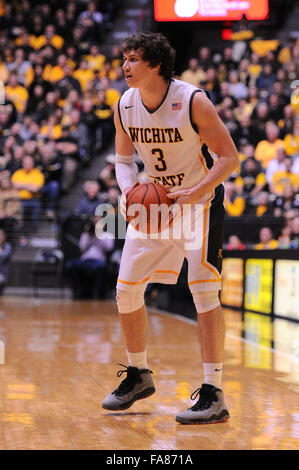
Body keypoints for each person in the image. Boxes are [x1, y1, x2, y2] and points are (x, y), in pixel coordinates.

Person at [101, 32, 239, 425]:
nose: (125, 66)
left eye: (133, 59)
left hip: (199, 205)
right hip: (156, 205)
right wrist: (129, 193)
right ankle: (139, 374)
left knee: (204, 291)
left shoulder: (193, 100)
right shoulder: (125, 105)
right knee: (126, 290)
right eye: (124, 59)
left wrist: (195, 192)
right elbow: (124, 160)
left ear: (156, 65)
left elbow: (229, 158)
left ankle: (213, 393)